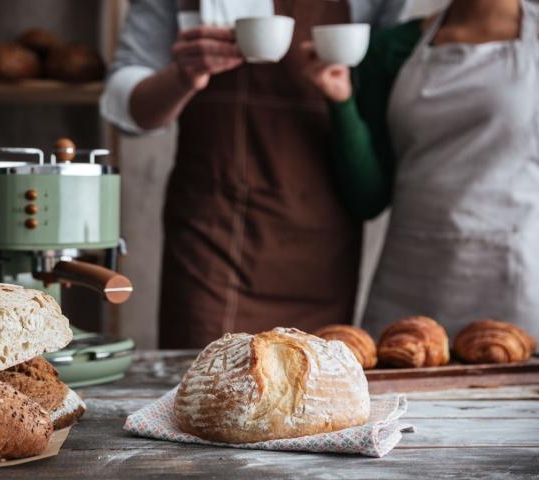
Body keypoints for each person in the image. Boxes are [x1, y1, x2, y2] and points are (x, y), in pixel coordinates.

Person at [102, 0, 408, 348]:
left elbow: (377, 93)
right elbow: (124, 108)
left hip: (322, 244)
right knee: (206, 389)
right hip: (213, 240)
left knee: (315, 390)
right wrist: (181, 76)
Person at [304, 0, 539, 342]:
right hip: (412, 281)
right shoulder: (392, 47)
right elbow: (367, 198)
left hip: (517, 278)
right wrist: (341, 102)